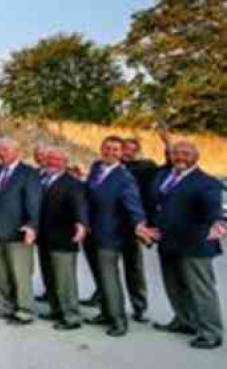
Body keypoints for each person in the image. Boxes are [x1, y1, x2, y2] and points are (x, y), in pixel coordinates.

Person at [146, 141, 225, 349]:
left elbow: (213, 210)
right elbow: (156, 203)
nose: (180, 156)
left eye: (186, 153)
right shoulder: (164, 176)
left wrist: (217, 222)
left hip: (195, 244)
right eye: (176, 153)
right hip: (167, 242)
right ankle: (184, 321)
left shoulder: (207, 182)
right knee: (174, 286)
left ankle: (211, 333)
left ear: (196, 157)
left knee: (201, 290)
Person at [83, 136, 148, 338]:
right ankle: (104, 313)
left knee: (110, 279)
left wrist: (139, 224)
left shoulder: (124, 177)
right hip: (90, 233)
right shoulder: (96, 167)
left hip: (110, 235)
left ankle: (119, 321)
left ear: (121, 154)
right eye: (107, 148)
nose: (110, 152)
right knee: (100, 277)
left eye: (115, 150)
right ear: (101, 149)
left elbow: (133, 203)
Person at [0, 136, 41, 325]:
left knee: (20, 274)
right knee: (0, 273)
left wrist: (32, 225)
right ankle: (6, 306)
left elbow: (34, 201)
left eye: (6, 149)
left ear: (17, 151)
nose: (1, 153)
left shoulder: (28, 172)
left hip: (18, 231)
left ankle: (24, 310)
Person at [37, 147, 89, 331]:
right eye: (50, 158)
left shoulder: (72, 184)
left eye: (57, 160)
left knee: (64, 280)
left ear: (65, 163)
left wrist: (82, 224)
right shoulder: (41, 179)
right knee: (49, 277)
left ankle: (71, 316)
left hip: (64, 238)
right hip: (43, 237)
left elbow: (80, 206)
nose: (52, 162)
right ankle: (56, 310)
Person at [120, 136, 160, 321]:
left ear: (137, 151)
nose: (127, 152)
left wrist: (167, 143)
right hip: (110, 224)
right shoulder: (106, 166)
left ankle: (139, 306)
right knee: (104, 265)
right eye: (124, 148)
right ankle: (102, 298)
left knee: (133, 267)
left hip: (133, 225)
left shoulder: (145, 167)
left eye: (131, 149)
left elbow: (168, 168)